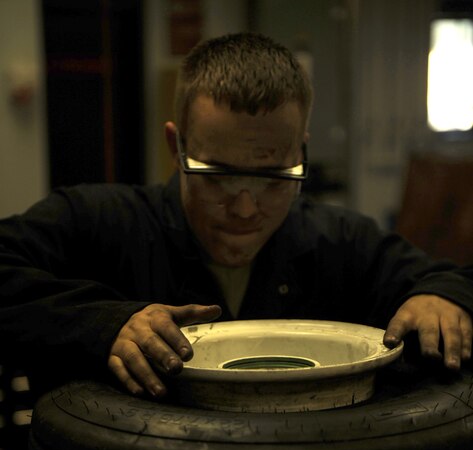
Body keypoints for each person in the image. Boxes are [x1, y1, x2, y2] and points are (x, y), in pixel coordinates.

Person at [0, 32, 472, 401]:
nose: (246, 208)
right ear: (175, 146)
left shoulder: (342, 239)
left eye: (274, 176)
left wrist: (444, 297)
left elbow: (448, 278)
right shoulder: (100, 221)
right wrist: (102, 326)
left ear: (301, 151)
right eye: (218, 176)